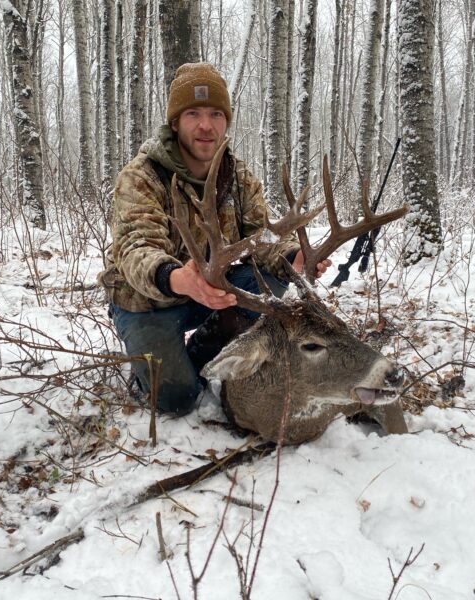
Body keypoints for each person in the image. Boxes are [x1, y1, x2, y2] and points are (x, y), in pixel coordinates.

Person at [99, 62, 329, 414]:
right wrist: (176, 278)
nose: (206, 125)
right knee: (177, 400)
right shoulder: (142, 176)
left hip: (209, 291)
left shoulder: (237, 178)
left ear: (226, 121)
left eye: (215, 114)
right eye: (193, 113)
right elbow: (135, 247)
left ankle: (207, 350)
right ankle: (158, 370)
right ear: (175, 122)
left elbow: (258, 241)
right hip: (146, 302)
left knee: (270, 277)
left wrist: (291, 256)